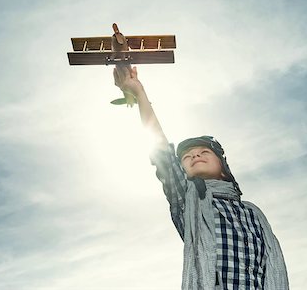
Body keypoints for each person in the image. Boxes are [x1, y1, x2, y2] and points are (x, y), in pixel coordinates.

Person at [113, 65, 289, 290]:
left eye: (204, 152)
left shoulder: (253, 214)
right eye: (187, 156)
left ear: (224, 169)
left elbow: (268, 268)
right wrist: (139, 92)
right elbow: (163, 156)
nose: (195, 155)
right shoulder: (189, 202)